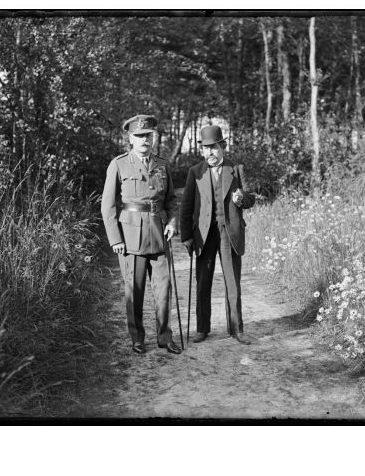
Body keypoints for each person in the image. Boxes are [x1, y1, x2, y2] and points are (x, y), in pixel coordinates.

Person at [101, 114, 181, 355]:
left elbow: (171, 201)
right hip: (131, 237)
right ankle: (137, 338)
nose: (145, 139)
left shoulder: (163, 164)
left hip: (159, 234)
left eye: (148, 135)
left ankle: (164, 337)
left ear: (153, 137)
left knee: (163, 289)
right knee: (133, 291)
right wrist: (115, 239)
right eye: (139, 136)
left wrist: (173, 221)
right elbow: (108, 206)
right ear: (130, 138)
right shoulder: (119, 164)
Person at [180, 125, 255, 344]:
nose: (210, 153)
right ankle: (202, 328)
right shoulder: (196, 172)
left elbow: (251, 199)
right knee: (203, 282)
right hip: (204, 236)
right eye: (206, 149)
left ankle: (236, 329)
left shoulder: (237, 169)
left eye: (214, 148)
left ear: (222, 147)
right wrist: (187, 237)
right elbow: (185, 207)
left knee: (233, 282)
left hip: (230, 233)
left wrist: (242, 199)